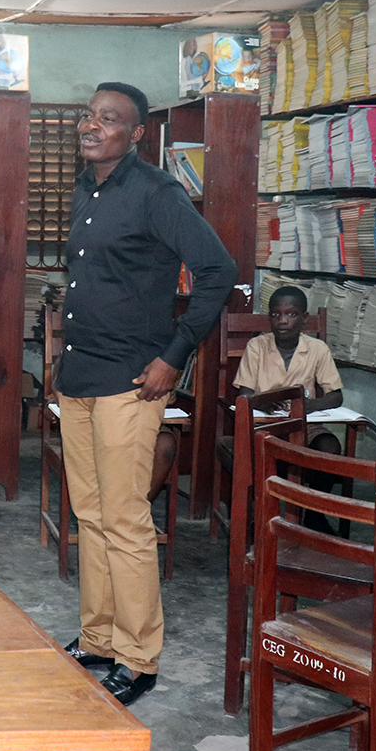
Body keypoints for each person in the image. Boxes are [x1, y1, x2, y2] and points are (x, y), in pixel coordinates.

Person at [54, 82, 236, 707]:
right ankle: (98, 638)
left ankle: (138, 657)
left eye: (109, 119)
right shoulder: (86, 187)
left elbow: (219, 272)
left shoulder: (157, 194)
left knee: (127, 520)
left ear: (136, 134)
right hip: (78, 379)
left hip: (132, 380)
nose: (92, 125)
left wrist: (175, 354)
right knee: (90, 514)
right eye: (89, 113)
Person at [225, 284, 345, 531]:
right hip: (266, 428)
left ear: (304, 318)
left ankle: (312, 510)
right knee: (264, 455)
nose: (282, 321)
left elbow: (336, 397)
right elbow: (245, 395)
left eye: (291, 314)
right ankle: (264, 518)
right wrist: (263, 401)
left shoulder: (317, 349)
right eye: (275, 314)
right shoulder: (257, 346)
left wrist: (308, 406)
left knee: (331, 449)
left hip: (304, 425)